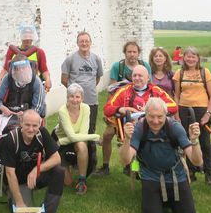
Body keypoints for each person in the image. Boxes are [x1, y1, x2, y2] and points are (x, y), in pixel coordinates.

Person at [119, 98, 202, 213]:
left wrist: (194, 141)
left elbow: (197, 162)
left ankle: (167, 200)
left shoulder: (175, 127)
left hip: (176, 176)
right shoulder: (139, 128)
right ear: (145, 114)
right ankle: (161, 200)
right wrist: (127, 140)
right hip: (151, 176)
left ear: (166, 114)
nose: (155, 121)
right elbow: (125, 160)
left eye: (159, 117)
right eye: (151, 116)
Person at [99, 65, 177, 176]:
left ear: (147, 78)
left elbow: (173, 106)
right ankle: (133, 166)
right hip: (131, 130)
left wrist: (152, 109)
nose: (137, 78)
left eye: (140, 75)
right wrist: (122, 109)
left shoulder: (155, 91)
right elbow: (107, 109)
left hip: (153, 127)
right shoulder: (124, 91)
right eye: (134, 75)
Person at [0, 109, 64, 213]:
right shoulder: (10, 139)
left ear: (40, 124)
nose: (31, 129)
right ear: (21, 123)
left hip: (35, 176)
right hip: (17, 181)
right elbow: (10, 173)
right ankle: (12, 198)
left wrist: (36, 170)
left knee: (59, 171)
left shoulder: (42, 133)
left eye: (35, 125)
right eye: (27, 125)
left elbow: (57, 158)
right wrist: (19, 202)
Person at [96, 41, 151, 176]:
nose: (132, 54)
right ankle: (105, 166)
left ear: (138, 53)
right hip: (120, 107)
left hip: (138, 110)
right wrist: (111, 111)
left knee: (137, 138)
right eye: (129, 52)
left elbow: (148, 89)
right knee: (108, 135)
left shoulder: (145, 66)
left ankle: (134, 166)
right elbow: (112, 89)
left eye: (134, 52)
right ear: (125, 53)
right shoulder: (118, 67)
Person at [173, 46, 211, 184]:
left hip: (201, 110)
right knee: (186, 140)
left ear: (198, 58)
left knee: (204, 142)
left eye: (193, 56)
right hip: (184, 109)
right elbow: (176, 95)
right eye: (188, 56)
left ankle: (209, 172)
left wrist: (208, 113)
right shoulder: (179, 73)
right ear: (184, 58)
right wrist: (177, 114)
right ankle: (190, 171)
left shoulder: (205, 72)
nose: (190, 59)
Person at [54, 84, 99, 195]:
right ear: (67, 97)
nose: (74, 100)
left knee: (81, 144)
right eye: (71, 96)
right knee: (68, 183)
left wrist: (63, 141)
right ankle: (61, 165)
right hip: (61, 142)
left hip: (66, 140)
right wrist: (95, 137)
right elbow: (72, 136)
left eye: (77, 97)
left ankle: (82, 181)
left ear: (82, 98)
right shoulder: (62, 110)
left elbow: (82, 134)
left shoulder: (86, 108)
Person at [60, 31, 103, 139]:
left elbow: (97, 79)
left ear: (90, 43)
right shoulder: (70, 59)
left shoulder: (96, 59)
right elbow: (64, 79)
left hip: (92, 100)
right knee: (74, 128)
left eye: (86, 41)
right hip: (75, 102)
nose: (84, 44)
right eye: (81, 41)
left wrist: (88, 88)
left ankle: (91, 154)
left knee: (91, 128)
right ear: (77, 43)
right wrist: (75, 93)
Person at [0, 55, 46, 136]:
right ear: (13, 70)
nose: (21, 71)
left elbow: (37, 107)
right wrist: (3, 108)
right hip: (9, 113)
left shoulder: (36, 82)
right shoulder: (7, 78)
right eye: (18, 68)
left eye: (24, 68)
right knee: (6, 132)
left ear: (29, 68)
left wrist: (25, 115)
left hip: (30, 114)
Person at [0, 25, 51, 92]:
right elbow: (6, 68)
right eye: (25, 37)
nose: (27, 40)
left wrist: (48, 79)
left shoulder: (39, 52)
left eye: (29, 37)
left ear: (33, 38)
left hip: (32, 86)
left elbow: (44, 70)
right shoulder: (12, 51)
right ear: (21, 37)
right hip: (14, 86)